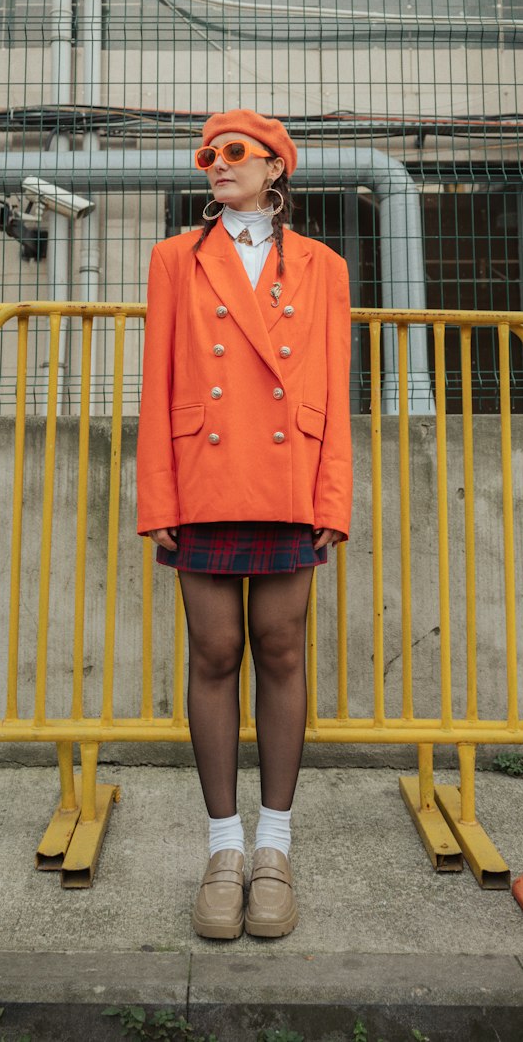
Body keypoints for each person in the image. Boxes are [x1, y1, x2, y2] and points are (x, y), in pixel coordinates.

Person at [136, 109, 353, 941]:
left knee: (282, 647)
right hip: (204, 475)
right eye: (207, 155)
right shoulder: (173, 260)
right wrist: (158, 500)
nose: (214, 164)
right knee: (215, 649)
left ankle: (275, 847)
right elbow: (158, 385)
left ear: (275, 170)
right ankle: (223, 849)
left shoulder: (324, 268)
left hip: (289, 475)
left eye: (233, 153)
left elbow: (335, 386)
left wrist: (332, 499)